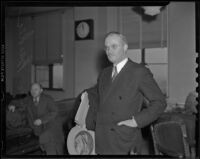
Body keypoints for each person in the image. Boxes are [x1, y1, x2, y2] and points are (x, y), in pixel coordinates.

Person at [85, 31, 167, 155]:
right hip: (102, 138)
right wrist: (89, 124)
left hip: (124, 139)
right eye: (107, 47)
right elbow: (96, 100)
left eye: (114, 46)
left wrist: (136, 121)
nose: (109, 51)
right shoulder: (104, 73)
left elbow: (160, 102)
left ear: (125, 47)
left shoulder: (138, 71)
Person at [8, 83, 64, 155]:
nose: (33, 91)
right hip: (37, 129)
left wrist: (41, 120)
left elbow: (55, 111)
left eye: (36, 89)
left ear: (41, 90)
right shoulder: (28, 99)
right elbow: (17, 102)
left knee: (50, 146)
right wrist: (12, 105)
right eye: (32, 89)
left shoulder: (48, 99)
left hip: (50, 126)